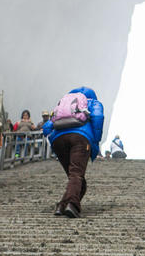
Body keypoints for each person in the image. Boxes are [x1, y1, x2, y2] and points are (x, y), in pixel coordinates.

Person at [42, 86, 104, 218]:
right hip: (80, 139)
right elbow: (98, 117)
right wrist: (96, 140)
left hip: (58, 140)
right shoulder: (92, 102)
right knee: (76, 174)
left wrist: (52, 136)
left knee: (75, 177)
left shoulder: (65, 102)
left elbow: (47, 126)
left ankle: (62, 206)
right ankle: (72, 205)